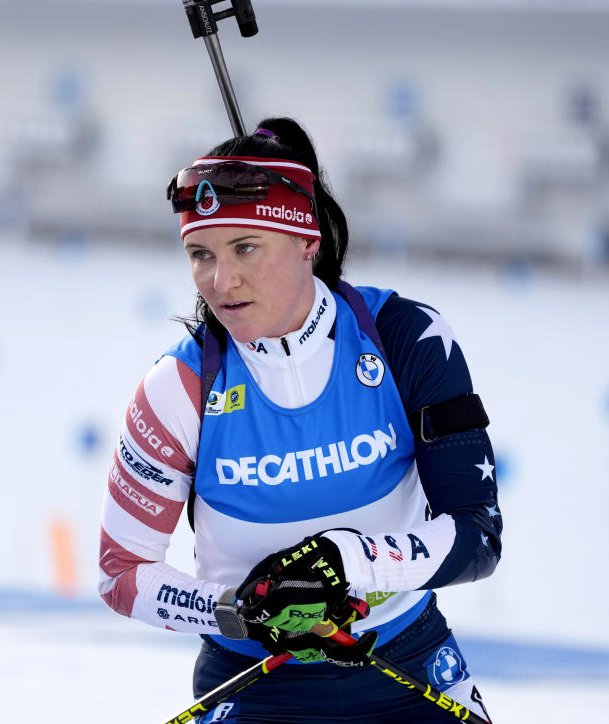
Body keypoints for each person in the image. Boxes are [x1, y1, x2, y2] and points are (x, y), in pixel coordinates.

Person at [99, 117, 502, 723]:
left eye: (246, 249)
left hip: (404, 665)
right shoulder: (178, 388)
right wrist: (240, 609)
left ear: (306, 239)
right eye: (200, 254)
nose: (221, 281)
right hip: (254, 682)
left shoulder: (406, 339)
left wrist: (352, 562)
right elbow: (121, 574)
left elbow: (478, 535)